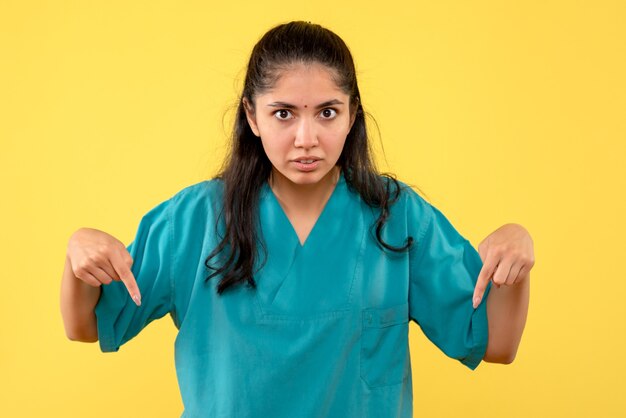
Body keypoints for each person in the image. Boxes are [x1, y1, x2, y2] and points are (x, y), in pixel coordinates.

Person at [60, 21, 534, 417]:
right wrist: (78, 253)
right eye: (284, 113)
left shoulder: (397, 216)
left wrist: (515, 253)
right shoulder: (196, 219)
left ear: (352, 117)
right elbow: (89, 325)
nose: (306, 138)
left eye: (327, 113)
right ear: (251, 115)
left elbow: (496, 344)